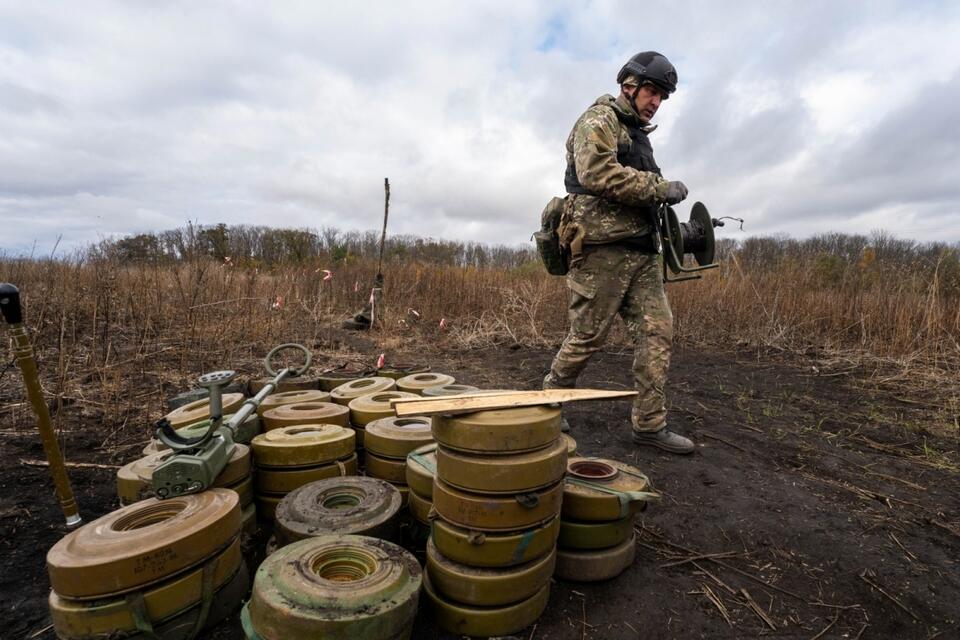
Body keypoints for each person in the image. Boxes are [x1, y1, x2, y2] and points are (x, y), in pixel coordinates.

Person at [543, 51, 694, 454]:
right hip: (601, 251)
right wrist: (660, 188)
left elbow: (635, 184)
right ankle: (550, 402)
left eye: (662, 97)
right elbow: (595, 172)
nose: (655, 102)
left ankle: (649, 423)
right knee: (588, 336)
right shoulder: (600, 120)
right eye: (651, 91)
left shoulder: (637, 134)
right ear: (629, 84)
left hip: (642, 252)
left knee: (657, 332)